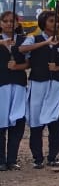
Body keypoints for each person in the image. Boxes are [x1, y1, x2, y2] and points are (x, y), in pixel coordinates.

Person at [22, 11, 59, 168]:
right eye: (51, 21)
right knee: (36, 121)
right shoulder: (33, 38)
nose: (55, 24)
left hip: (56, 85)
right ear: (43, 22)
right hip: (38, 84)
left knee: (56, 121)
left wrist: (58, 68)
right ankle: (37, 157)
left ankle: (53, 155)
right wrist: (45, 43)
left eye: (57, 21)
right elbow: (23, 49)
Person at [0, 11, 29, 170]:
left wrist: (18, 66)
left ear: (17, 23)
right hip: (1, 84)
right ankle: (1, 160)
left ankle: (12, 159)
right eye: (5, 21)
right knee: (1, 122)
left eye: (12, 21)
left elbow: (29, 63)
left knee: (17, 122)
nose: (9, 24)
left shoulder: (24, 41)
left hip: (18, 83)